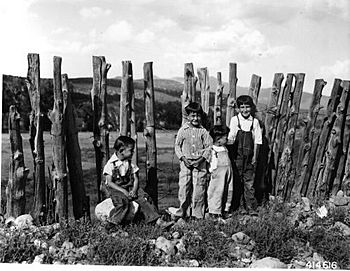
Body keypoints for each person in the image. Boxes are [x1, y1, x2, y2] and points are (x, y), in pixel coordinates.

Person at [103, 135, 173, 229]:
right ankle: (113, 224)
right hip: (116, 188)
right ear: (121, 151)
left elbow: (135, 178)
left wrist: (135, 190)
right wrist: (123, 191)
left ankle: (157, 221)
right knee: (123, 203)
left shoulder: (130, 163)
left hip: (130, 186)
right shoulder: (110, 164)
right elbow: (110, 182)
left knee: (144, 198)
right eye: (131, 150)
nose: (133, 152)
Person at [170, 102, 213, 220]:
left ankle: (197, 214)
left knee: (199, 188)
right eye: (192, 116)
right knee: (184, 187)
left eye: (198, 116)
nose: (195, 118)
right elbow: (177, 146)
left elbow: (209, 147)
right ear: (187, 116)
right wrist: (183, 158)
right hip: (186, 164)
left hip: (200, 164)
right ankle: (183, 213)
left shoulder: (203, 131)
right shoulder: (183, 130)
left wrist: (201, 159)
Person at [227, 95, 262, 216]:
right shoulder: (235, 120)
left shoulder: (255, 122)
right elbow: (231, 138)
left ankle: (251, 207)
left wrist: (254, 158)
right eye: (242, 107)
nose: (245, 110)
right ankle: (238, 206)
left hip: (249, 157)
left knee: (249, 183)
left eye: (247, 107)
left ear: (251, 108)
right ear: (238, 108)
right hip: (237, 156)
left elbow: (257, 141)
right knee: (237, 181)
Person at [207, 125, 234, 220]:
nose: (227, 138)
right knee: (217, 192)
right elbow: (211, 164)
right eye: (225, 137)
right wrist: (212, 171)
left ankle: (225, 209)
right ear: (218, 140)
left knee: (228, 190)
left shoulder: (224, 148)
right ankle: (215, 211)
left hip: (227, 174)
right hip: (218, 176)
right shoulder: (213, 150)